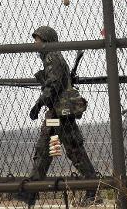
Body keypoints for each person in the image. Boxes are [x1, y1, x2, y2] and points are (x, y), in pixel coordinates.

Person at [16, 25, 101, 206]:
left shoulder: (52, 57)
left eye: (37, 39)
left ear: (46, 41)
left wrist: (38, 104)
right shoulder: (52, 57)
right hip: (56, 114)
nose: (35, 43)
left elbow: (53, 84)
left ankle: (93, 190)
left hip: (61, 115)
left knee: (73, 150)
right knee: (46, 149)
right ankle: (31, 192)